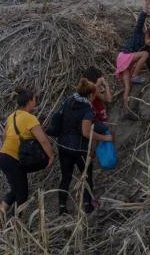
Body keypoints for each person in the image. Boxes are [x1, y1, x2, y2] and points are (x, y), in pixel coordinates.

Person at [57, 78, 114, 215]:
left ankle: (62, 208)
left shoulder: (69, 100)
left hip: (63, 145)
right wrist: (105, 138)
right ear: (89, 96)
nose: (95, 97)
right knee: (87, 176)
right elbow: (86, 132)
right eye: (94, 95)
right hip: (78, 148)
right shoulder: (87, 109)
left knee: (66, 177)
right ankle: (88, 207)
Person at [0, 88, 54, 220]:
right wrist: (51, 156)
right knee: (22, 193)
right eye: (34, 99)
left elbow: (4, 137)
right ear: (29, 102)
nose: (36, 101)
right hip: (13, 159)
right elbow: (43, 140)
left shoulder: (12, 116)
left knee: (16, 189)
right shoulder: (30, 118)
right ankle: (16, 224)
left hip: (3, 156)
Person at [115, 0, 150, 114]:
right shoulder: (138, 33)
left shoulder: (147, 49)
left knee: (128, 87)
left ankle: (126, 110)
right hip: (123, 56)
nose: (149, 44)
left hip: (125, 65)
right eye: (149, 41)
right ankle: (135, 76)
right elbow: (141, 18)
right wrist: (147, 4)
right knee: (144, 54)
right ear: (146, 34)